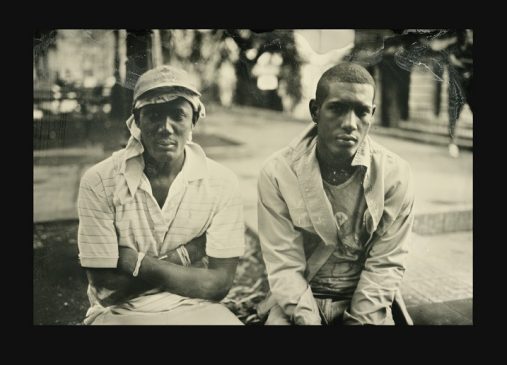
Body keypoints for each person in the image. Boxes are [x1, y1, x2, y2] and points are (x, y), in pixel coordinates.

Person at [77, 65, 245, 325]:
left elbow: (219, 284)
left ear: (194, 120)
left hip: (198, 308)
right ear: (137, 121)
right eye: (154, 115)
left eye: (177, 114)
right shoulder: (100, 181)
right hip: (121, 312)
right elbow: (107, 291)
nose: (165, 127)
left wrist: (134, 261)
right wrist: (187, 255)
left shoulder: (222, 183)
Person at [257, 62, 415, 325]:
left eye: (362, 111)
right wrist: (308, 321)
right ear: (315, 111)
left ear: (372, 115)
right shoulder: (278, 172)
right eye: (337, 108)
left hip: (363, 301)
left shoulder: (395, 176)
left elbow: (384, 266)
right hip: (298, 300)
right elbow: (284, 265)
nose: (350, 124)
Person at [447, 29, 473, 158]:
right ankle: (453, 143)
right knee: (454, 112)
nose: (468, 35)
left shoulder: (471, 47)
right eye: (466, 32)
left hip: (472, 84)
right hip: (458, 84)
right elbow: (451, 60)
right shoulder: (455, 47)